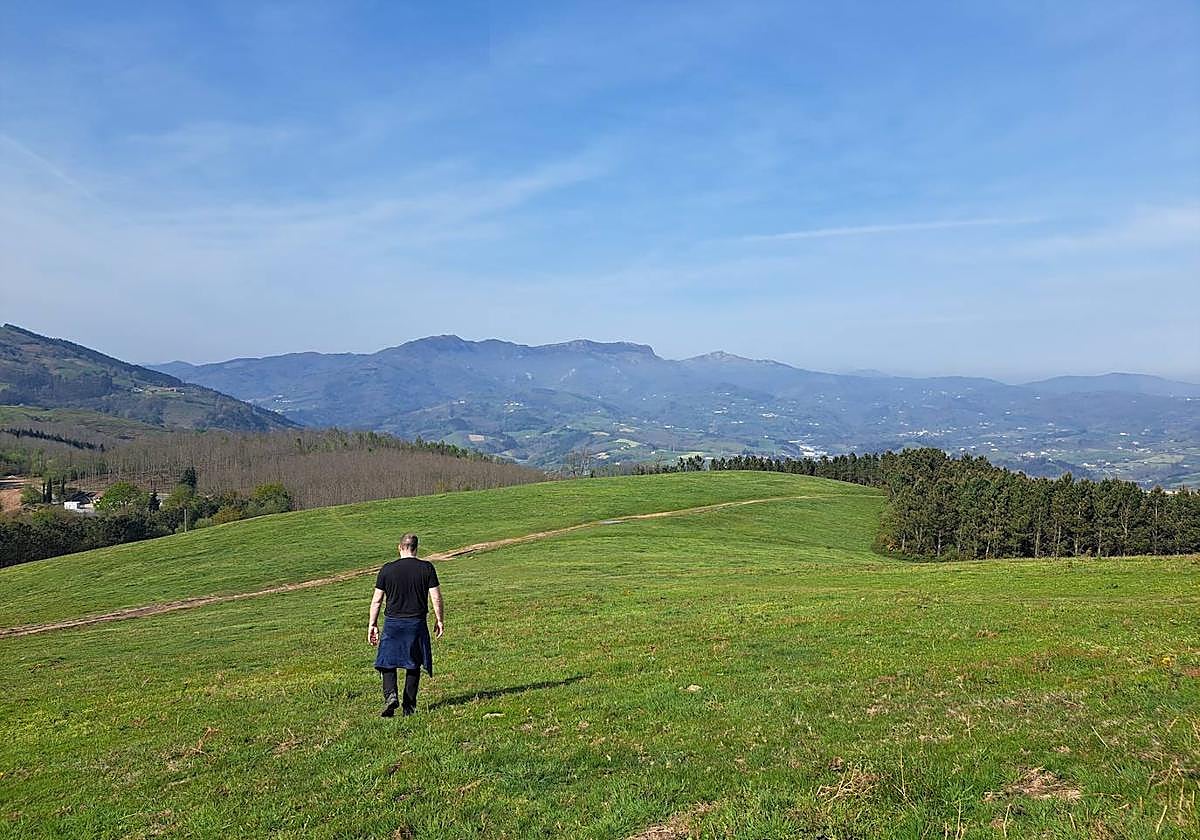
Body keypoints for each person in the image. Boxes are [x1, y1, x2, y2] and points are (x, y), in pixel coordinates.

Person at [368, 533, 444, 717]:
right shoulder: (426, 568)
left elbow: (377, 600)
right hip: (416, 623)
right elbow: (435, 596)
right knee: (413, 664)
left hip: (393, 623)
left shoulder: (387, 569)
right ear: (416, 548)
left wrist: (372, 623)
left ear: (399, 547)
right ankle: (409, 707)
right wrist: (439, 619)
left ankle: (391, 696)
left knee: (387, 661)